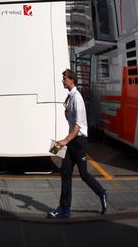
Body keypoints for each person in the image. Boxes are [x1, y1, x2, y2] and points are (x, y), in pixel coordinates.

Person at [48, 68, 108, 219]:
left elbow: (79, 125)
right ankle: (64, 209)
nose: (62, 80)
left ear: (71, 80)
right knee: (65, 172)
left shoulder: (77, 98)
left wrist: (65, 140)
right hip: (73, 141)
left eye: (64, 78)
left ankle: (102, 192)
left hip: (79, 141)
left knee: (84, 174)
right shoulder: (70, 97)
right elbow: (72, 119)